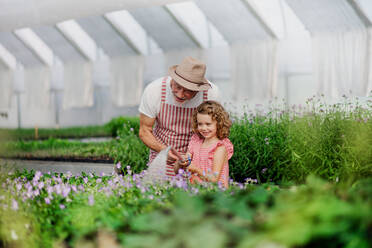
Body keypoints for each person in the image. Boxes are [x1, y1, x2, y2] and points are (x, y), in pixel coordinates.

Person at [138, 56, 219, 177]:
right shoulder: (154, 91)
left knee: (194, 194)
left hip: (197, 159)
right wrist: (163, 150)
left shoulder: (211, 94)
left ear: (198, 89)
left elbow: (216, 133)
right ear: (173, 78)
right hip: (163, 156)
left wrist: (195, 155)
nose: (180, 95)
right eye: (178, 86)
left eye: (188, 91)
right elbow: (145, 131)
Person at [175, 100, 233, 188]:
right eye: (200, 124)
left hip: (215, 194)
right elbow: (177, 170)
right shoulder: (195, 142)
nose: (203, 128)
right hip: (196, 191)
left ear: (219, 124)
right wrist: (180, 162)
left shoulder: (220, 148)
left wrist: (195, 169)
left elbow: (214, 179)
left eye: (208, 124)